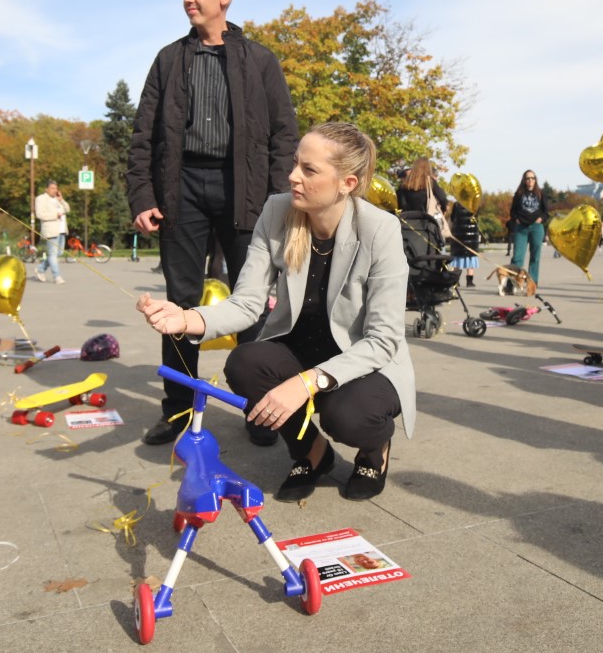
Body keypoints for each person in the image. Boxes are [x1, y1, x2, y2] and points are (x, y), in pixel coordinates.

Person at [137, 122, 413, 502]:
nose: (293, 176)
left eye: (309, 170)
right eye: (296, 163)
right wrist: (186, 319)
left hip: (362, 359)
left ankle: (374, 449)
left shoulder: (381, 230)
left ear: (347, 183)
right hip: (300, 347)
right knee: (245, 364)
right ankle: (311, 453)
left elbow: (382, 340)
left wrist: (305, 383)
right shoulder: (277, 210)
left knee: (346, 415)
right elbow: (248, 301)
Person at [127, 0, 299, 446]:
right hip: (180, 192)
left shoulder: (260, 61)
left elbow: (284, 135)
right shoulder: (167, 59)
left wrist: (280, 200)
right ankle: (179, 412)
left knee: (253, 306)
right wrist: (143, 195)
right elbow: (143, 134)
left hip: (246, 192)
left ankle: (259, 409)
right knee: (178, 304)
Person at [509, 170, 548, 284]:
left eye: (533, 178)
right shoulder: (519, 194)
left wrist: (541, 219)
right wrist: (516, 219)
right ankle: (512, 284)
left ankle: (532, 284)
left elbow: (546, 212)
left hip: (536, 227)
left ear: (535, 180)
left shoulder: (540, 193)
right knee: (517, 257)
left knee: (535, 257)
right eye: (528, 178)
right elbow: (513, 211)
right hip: (521, 228)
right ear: (524, 180)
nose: (530, 180)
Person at [33, 180, 70, 284]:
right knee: (53, 254)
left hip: (62, 230)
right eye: (52, 188)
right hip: (51, 230)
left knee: (59, 252)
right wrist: (55, 215)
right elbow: (40, 214)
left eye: (56, 188)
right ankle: (56, 276)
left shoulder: (57, 200)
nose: (55, 190)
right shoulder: (41, 199)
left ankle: (40, 269)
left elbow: (67, 209)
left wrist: (61, 200)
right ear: (47, 189)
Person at [448, 201, 480, 287]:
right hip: (471, 236)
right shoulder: (474, 204)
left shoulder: (457, 205)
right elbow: (476, 219)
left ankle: (456, 280)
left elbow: (452, 218)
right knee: (471, 257)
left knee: (458, 258)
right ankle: (469, 281)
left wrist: (449, 230)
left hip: (458, 234)